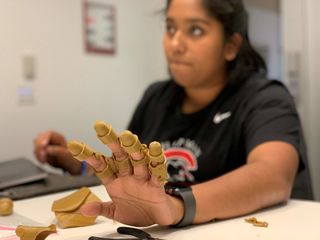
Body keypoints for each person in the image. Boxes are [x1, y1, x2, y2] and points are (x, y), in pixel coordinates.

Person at [34, 0, 313, 227]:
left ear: (231, 46)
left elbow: (272, 176)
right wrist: (76, 164)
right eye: (170, 28)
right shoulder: (156, 97)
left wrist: (176, 207)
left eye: (195, 30)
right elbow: (130, 173)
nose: (175, 43)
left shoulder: (265, 98)